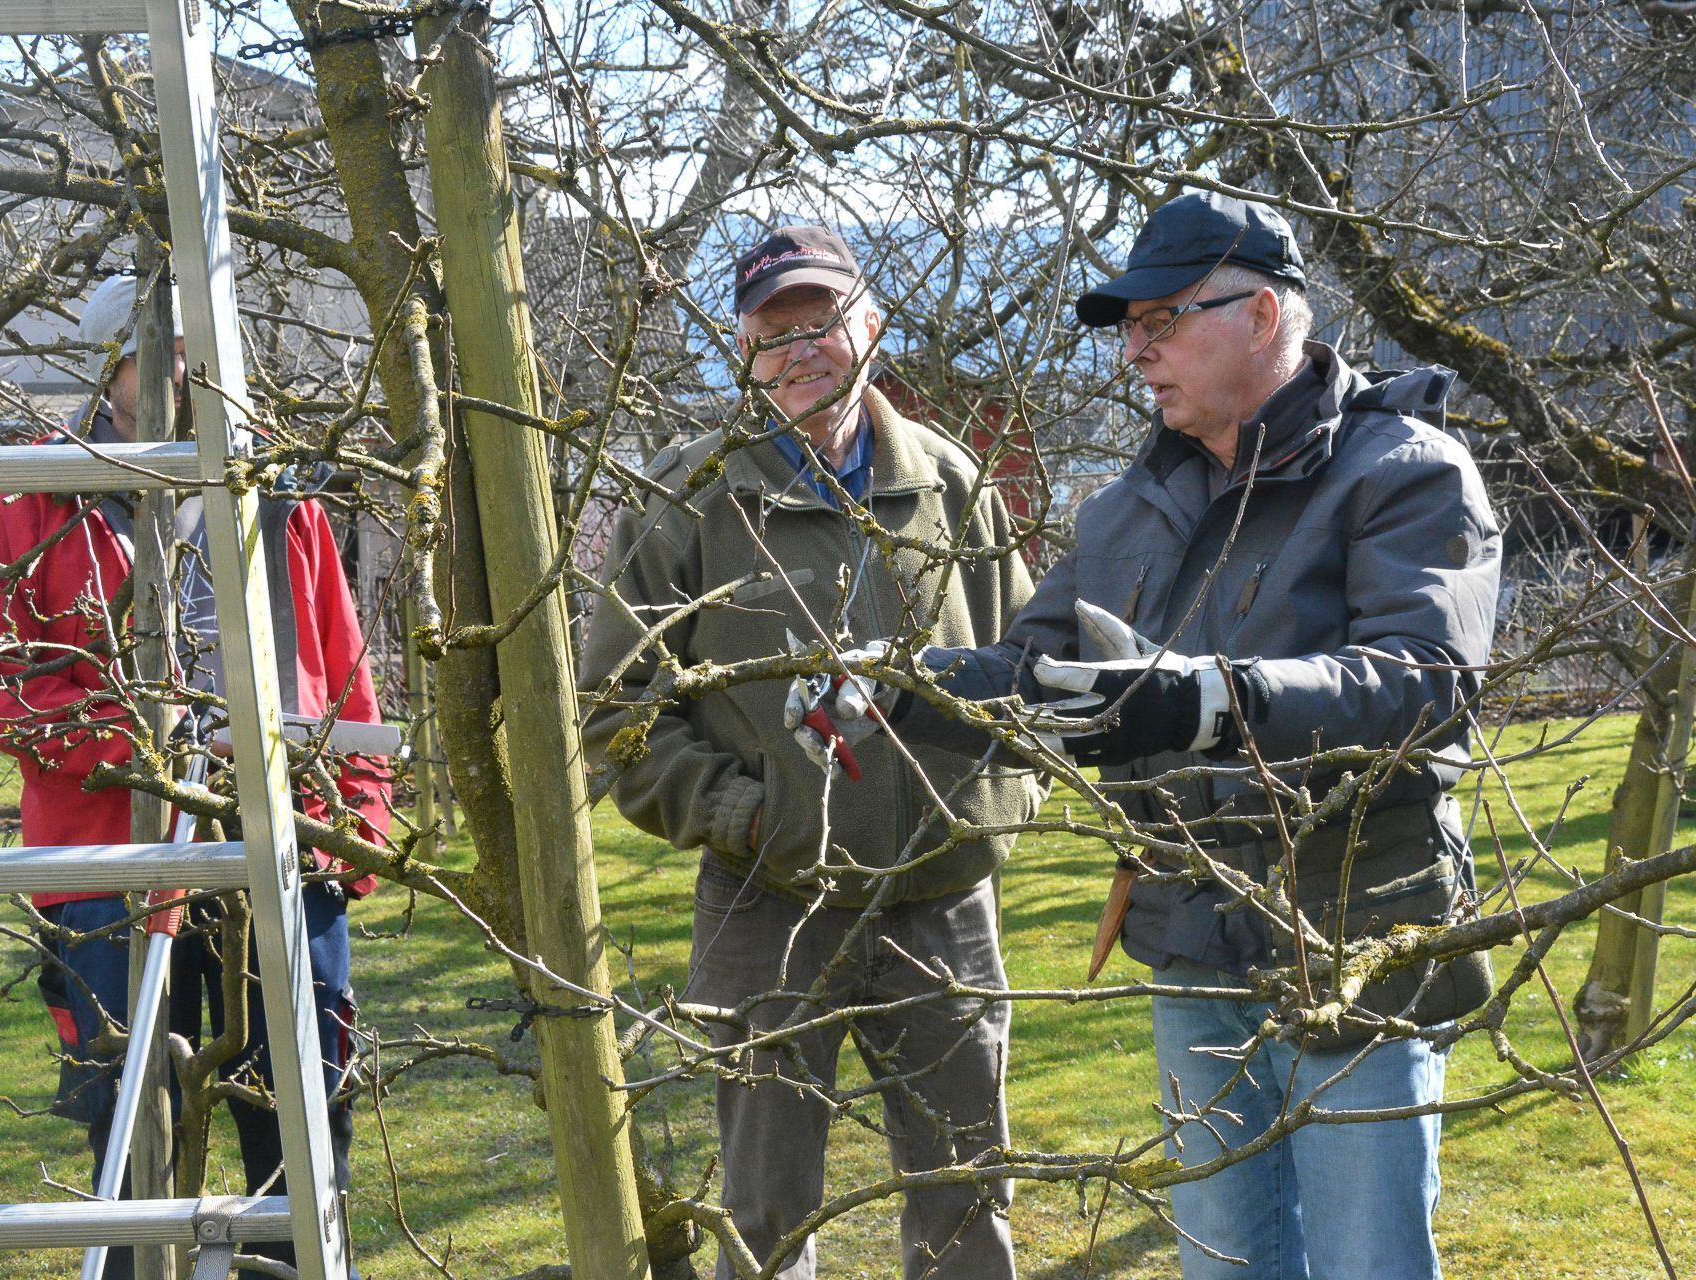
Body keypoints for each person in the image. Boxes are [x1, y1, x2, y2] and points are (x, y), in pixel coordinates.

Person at [798, 193, 1502, 1278]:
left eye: (1161, 320)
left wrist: (1215, 700)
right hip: (1189, 942)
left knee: (1370, 1262)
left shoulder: (1404, 471)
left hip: (1355, 937)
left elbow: (1421, 685)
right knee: (1222, 1265)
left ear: (1262, 313)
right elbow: (1034, 671)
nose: (1136, 351)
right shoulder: (1130, 504)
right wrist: (902, 685)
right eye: (1129, 326)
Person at [577, 225, 1041, 1280]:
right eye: (771, 331)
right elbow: (618, 708)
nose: (800, 350)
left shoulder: (951, 485)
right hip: (764, 904)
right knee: (765, 1210)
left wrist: (979, 818)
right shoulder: (690, 496)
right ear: (740, 352)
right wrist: (749, 817)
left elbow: (1027, 677)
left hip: (941, 908)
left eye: (821, 319)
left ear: (871, 325)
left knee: (968, 1196)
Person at [0, 272, 391, 1280]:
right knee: (133, 1127)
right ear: (107, 364)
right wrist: (141, 732)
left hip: (279, 851)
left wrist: (356, 820)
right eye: (154, 352)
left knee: (295, 1134)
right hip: (106, 864)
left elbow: (343, 676)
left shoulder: (275, 497)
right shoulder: (28, 500)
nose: (178, 374)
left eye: (194, 351)